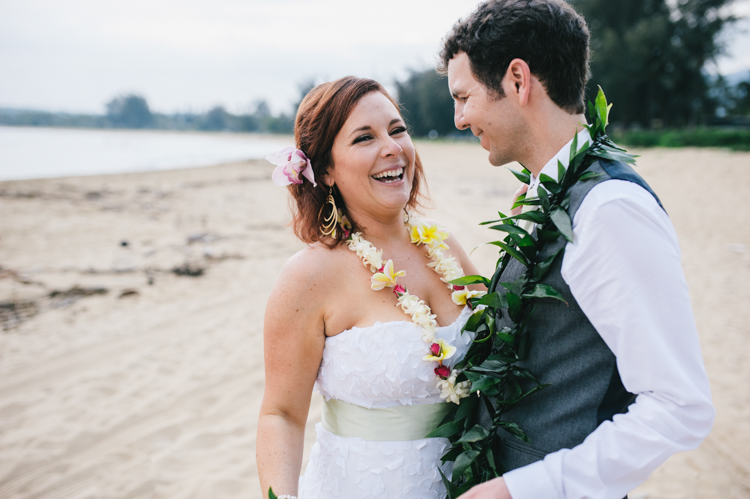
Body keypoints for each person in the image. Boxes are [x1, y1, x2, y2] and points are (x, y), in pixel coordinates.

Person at [439, 1, 715, 498]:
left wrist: (521, 491)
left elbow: (680, 406)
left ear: (518, 81)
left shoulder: (610, 209)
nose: (459, 119)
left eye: (464, 97)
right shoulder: (551, 192)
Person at [256, 76, 484, 499]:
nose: (392, 147)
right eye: (365, 138)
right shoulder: (309, 277)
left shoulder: (445, 247)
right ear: (325, 169)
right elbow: (281, 414)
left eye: (397, 130)